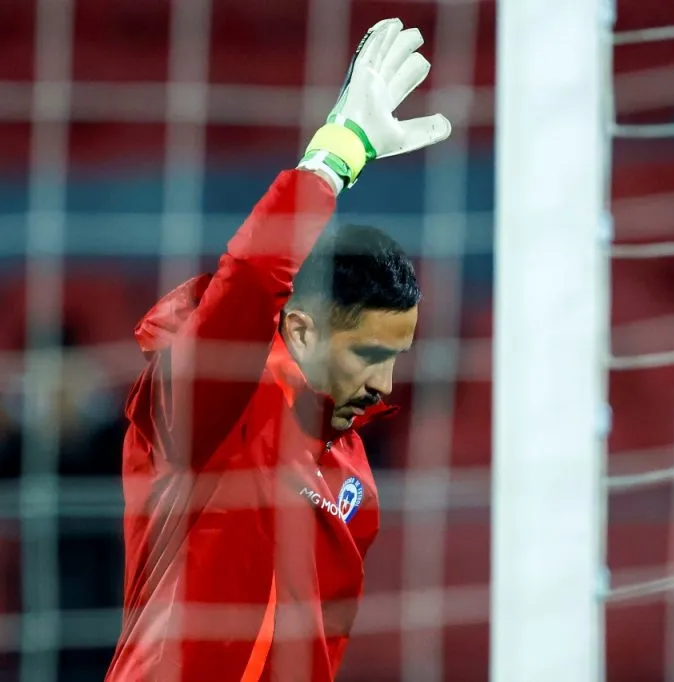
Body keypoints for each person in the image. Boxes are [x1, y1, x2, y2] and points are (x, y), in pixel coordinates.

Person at [104, 18, 450, 682]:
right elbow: (251, 281)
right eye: (369, 352)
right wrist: (335, 156)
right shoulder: (215, 400)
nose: (384, 383)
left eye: (396, 355)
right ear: (301, 331)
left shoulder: (356, 483)